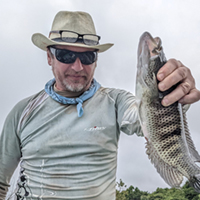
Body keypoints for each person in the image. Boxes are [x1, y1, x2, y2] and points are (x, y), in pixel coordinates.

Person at [0, 11, 200, 200]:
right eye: (65, 55)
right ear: (49, 57)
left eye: (87, 57)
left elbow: (149, 117)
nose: (77, 66)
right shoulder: (22, 113)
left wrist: (175, 92)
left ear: (96, 61)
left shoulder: (116, 102)